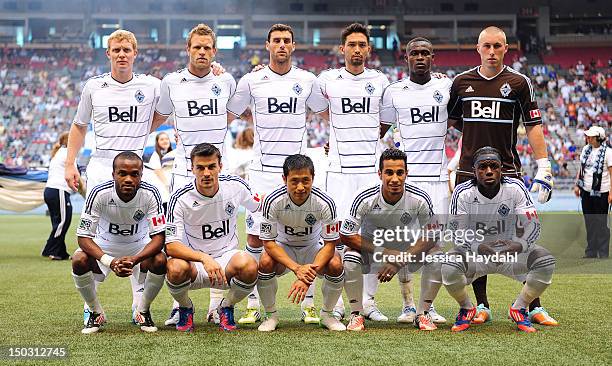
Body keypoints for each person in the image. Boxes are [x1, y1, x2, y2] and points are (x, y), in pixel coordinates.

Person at [447, 26, 556, 326]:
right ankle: (482, 305)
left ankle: (532, 305)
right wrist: (467, 146)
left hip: (508, 169)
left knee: (521, 236)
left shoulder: (519, 83)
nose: (492, 52)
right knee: (474, 238)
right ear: (477, 48)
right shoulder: (461, 83)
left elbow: (533, 126)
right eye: (486, 46)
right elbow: (453, 120)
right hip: (469, 171)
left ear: (507, 48)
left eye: (497, 46)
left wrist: (544, 166)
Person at [64, 29, 164, 322]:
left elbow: (174, 103)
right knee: (97, 232)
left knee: (141, 229)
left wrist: (145, 127)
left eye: (126, 50)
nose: (122, 54)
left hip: (134, 166)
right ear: (108, 54)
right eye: (116, 50)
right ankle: (91, 309)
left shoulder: (152, 85)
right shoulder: (94, 87)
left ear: (135, 54)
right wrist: (70, 164)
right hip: (102, 165)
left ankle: (139, 306)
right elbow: (79, 125)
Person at [226, 24, 318, 325]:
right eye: (276, 41)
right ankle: (253, 303)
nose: (281, 45)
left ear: (293, 46)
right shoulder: (252, 81)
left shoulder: (307, 80)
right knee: (255, 236)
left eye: (286, 41)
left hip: (299, 172)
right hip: (264, 173)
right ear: (267, 45)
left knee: (307, 235)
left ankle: (309, 302)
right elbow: (227, 113)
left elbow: (331, 111)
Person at [154, 23, 239, 327]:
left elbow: (231, 115)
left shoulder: (226, 80)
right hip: (181, 173)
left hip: (219, 171)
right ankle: (180, 305)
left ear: (214, 51)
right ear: (187, 50)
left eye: (207, 47)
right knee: (179, 238)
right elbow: (159, 116)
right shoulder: (171, 82)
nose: (202, 52)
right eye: (196, 47)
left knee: (219, 234)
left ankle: (217, 305)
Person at [307, 23, 391, 323]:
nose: (356, 49)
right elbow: (312, 102)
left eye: (362, 45)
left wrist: (367, 136)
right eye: (351, 45)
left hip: (370, 172)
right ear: (342, 49)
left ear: (368, 49)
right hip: (339, 173)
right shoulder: (328, 79)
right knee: (340, 238)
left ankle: (368, 302)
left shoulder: (381, 81)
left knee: (370, 237)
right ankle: (341, 302)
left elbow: (387, 120)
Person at [443, 146, 556, 333]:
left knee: (545, 261)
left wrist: (520, 244)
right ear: (474, 170)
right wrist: (479, 247)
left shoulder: (515, 188)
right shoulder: (462, 192)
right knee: (448, 265)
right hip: (477, 255)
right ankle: (466, 308)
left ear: (501, 169)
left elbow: (533, 225)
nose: (489, 171)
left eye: (494, 166)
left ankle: (519, 308)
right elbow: (456, 233)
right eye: (483, 167)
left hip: (509, 253)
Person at [380, 37, 450, 325]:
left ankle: (427, 306)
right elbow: (379, 129)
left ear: (433, 57)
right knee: (405, 243)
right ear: (405, 58)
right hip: (409, 180)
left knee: (434, 246)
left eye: (425, 53)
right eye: (414, 53)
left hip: (437, 179)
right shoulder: (394, 92)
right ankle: (408, 305)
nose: (419, 57)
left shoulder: (447, 86)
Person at [340, 148, 443, 331]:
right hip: (373, 252)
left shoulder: (419, 198)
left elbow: (433, 235)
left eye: (399, 173)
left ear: (406, 174)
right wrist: (386, 253)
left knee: (437, 255)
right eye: (389, 172)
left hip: (406, 250)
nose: (394, 179)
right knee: (350, 256)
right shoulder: (365, 197)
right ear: (380, 174)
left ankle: (422, 313)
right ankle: (356, 314)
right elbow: (347, 234)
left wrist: (400, 258)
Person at [164, 143, 261, 332]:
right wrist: (204, 258)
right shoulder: (180, 198)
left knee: (249, 265)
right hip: (195, 263)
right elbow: (171, 246)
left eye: (211, 167)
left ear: (220, 167)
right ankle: (185, 308)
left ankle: (226, 306)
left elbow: (260, 205)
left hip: (226, 261)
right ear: (192, 169)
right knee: (174, 267)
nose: (206, 173)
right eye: (200, 167)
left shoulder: (236, 186)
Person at [71, 152, 167, 334]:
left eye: (134, 174)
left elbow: (159, 237)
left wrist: (136, 259)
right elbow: (83, 237)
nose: (128, 179)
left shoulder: (151, 193)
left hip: (138, 246)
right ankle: (94, 311)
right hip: (104, 245)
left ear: (141, 175)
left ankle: (143, 311)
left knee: (160, 259)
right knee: (78, 259)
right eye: (122, 173)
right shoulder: (99, 193)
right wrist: (110, 261)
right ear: (113, 174)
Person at [256, 154, 346, 332]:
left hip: (313, 248)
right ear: (284, 179)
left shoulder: (325, 202)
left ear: (313, 178)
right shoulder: (272, 201)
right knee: (265, 262)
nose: (300, 187)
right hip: (284, 248)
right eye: (294, 181)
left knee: (336, 263)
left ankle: (327, 315)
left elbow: (330, 245)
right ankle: (271, 315)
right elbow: (268, 243)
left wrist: (307, 275)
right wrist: (297, 268)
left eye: (306, 180)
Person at [574, 126, 611, 258]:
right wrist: (577, 185)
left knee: (601, 222)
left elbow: (611, 174)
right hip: (586, 191)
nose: (588, 138)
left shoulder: (608, 152)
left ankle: (603, 251)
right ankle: (591, 251)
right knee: (589, 222)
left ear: (598, 138)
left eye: (591, 136)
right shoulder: (585, 149)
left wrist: (611, 193)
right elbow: (581, 169)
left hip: (602, 192)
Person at [43, 132, 76, 260]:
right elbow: (75, 173)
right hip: (59, 190)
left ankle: (60, 252)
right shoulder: (68, 153)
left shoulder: (58, 153)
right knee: (63, 222)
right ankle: (52, 250)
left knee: (58, 223)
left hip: (50, 190)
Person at [144, 131, 172, 210]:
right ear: (157, 142)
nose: (165, 141)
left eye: (167, 139)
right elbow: (158, 171)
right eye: (162, 139)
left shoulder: (175, 153)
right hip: (164, 191)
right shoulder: (155, 155)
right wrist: (167, 185)